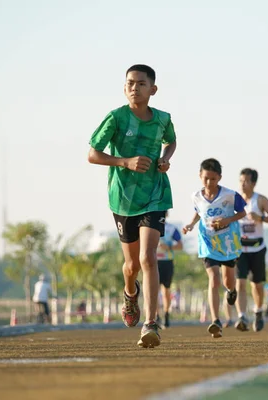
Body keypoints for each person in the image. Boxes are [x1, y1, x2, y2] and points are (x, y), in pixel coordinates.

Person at [88, 64, 177, 348]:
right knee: (131, 266)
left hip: (155, 195)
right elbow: (93, 154)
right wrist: (123, 162)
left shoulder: (163, 119)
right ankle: (130, 294)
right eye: (129, 83)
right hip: (123, 199)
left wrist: (165, 158)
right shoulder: (116, 118)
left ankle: (151, 324)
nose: (134, 88)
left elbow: (171, 141)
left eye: (140, 83)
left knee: (148, 258)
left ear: (153, 89)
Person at [183, 158, 244, 338]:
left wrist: (227, 220)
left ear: (219, 178)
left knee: (228, 281)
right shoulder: (196, 196)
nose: (209, 183)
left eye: (213, 179)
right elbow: (198, 211)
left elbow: (242, 213)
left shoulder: (230, 195)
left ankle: (231, 291)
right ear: (200, 176)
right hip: (208, 243)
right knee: (214, 279)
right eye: (206, 178)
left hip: (227, 243)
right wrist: (191, 224)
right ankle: (216, 320)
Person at [235, 168, 268, 332]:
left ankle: (258, 311)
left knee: (257, 285)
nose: (243, 184)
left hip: (257, 248)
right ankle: (241, 316)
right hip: (240, 249)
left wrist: (260, 217)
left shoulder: (260, 200)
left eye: (246, 181)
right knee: (240, 283)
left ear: (253, 183)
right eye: (240, 181)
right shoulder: (234, 199)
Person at [156, 212, 183, 329]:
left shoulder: (171, 229)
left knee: (166, 290)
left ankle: (166, 314)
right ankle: (156, 316)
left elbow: (181, 245)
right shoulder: (148, 227)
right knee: (153, 291)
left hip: (167, 262)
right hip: (153, 262)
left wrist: (169, 247)